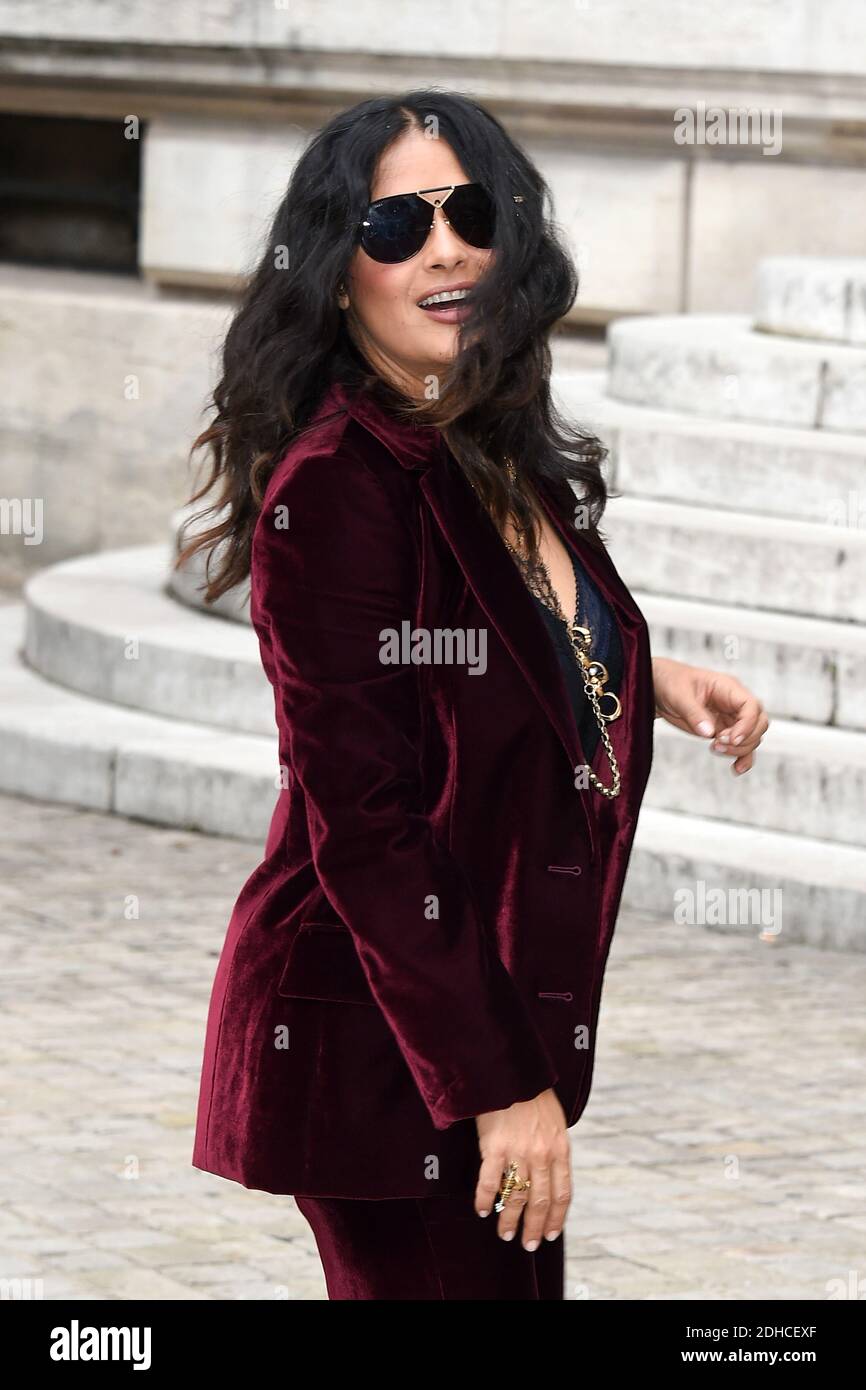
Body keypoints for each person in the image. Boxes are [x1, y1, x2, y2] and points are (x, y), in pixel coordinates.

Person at [183, 90, 769, 1301]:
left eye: (470, 213)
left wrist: (645, 677)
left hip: (468, 1029)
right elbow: (367, 824)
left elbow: (471, 640)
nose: (444, 247)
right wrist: (497, 1085)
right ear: (340, 274)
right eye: (395, 225)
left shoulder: (483, 436)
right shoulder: (338, 489)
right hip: (383, 1047)